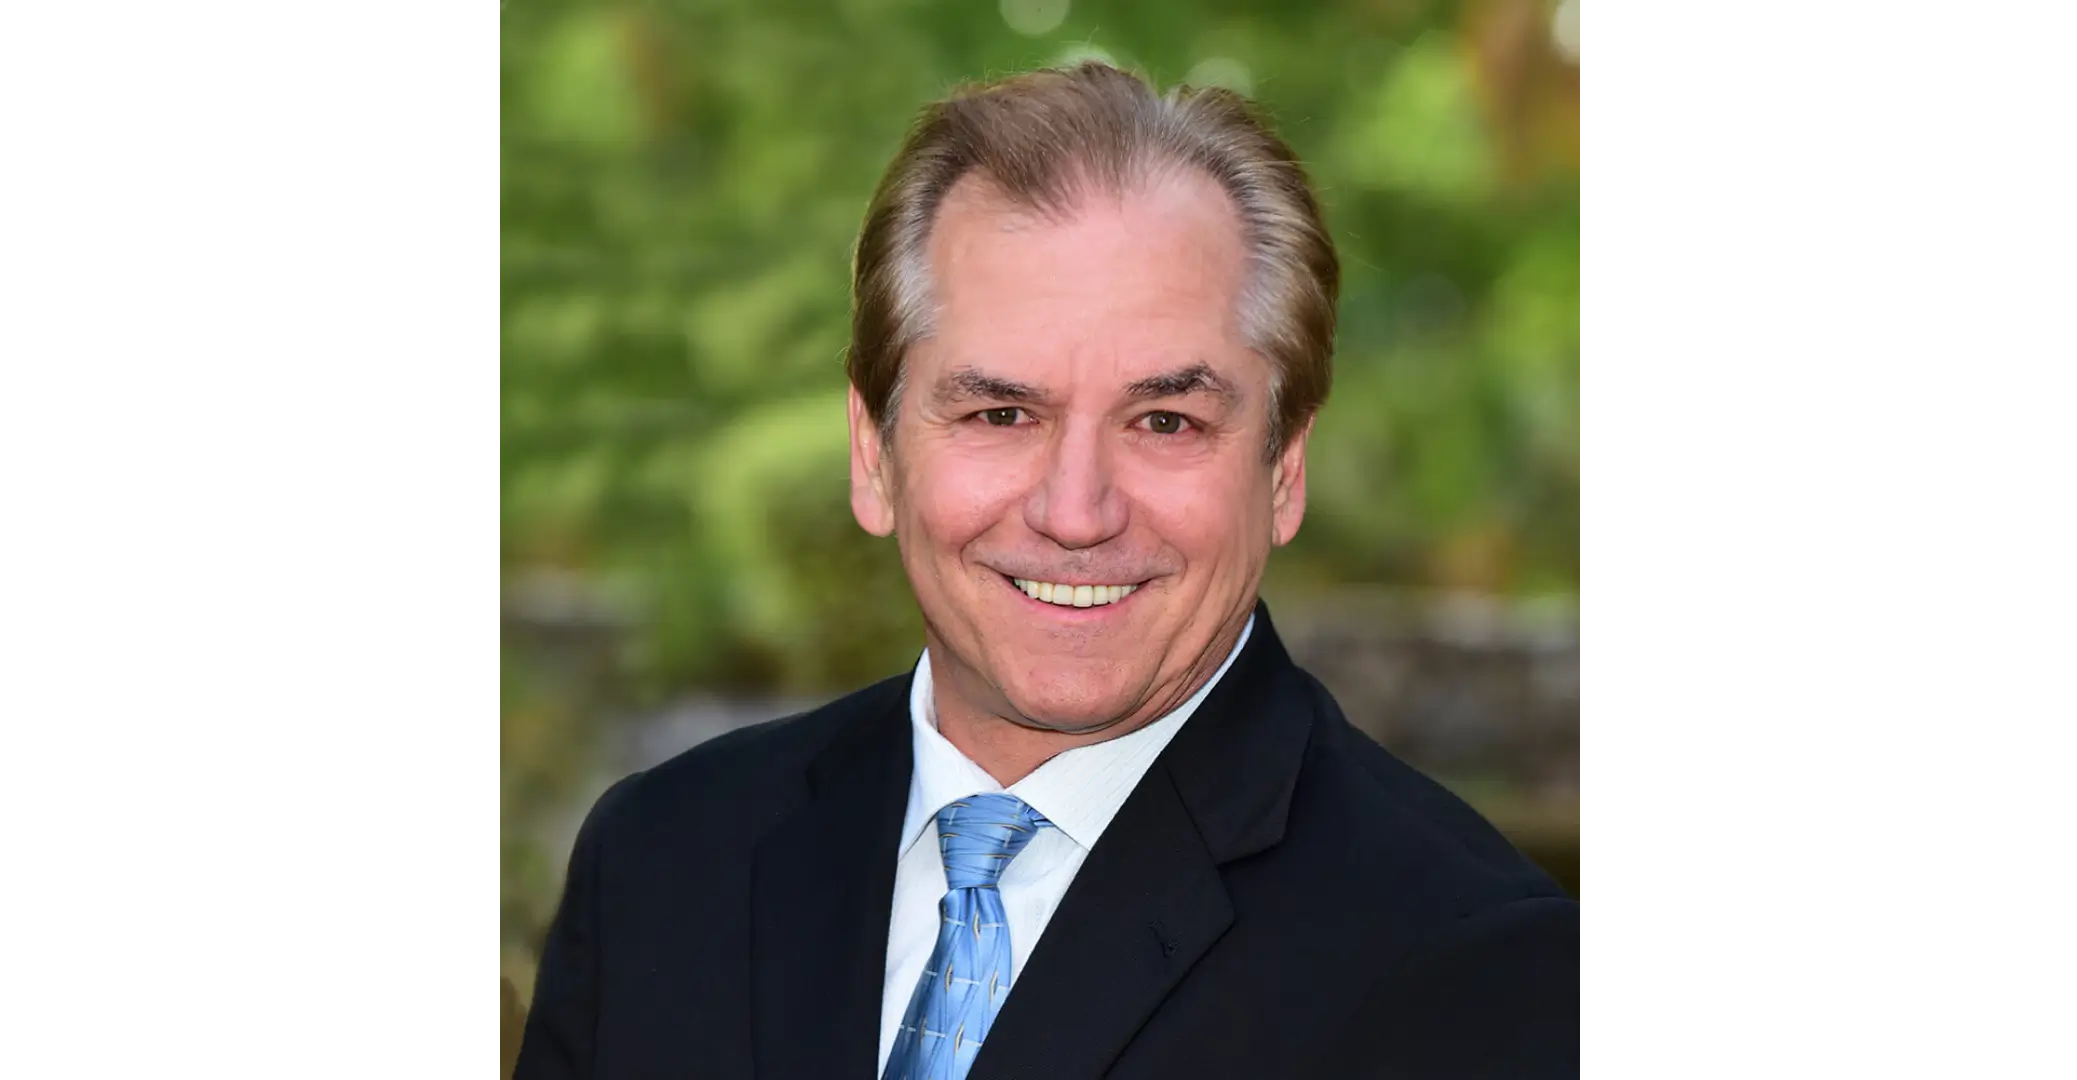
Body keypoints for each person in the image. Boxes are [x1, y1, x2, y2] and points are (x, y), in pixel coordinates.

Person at [515, 61, 1581, 1080]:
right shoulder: (662, 864)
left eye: (1165, 421)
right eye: (1000, 413)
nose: (1076, 513)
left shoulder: (1477, 969)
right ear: (873, 454)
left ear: (1283, 470)